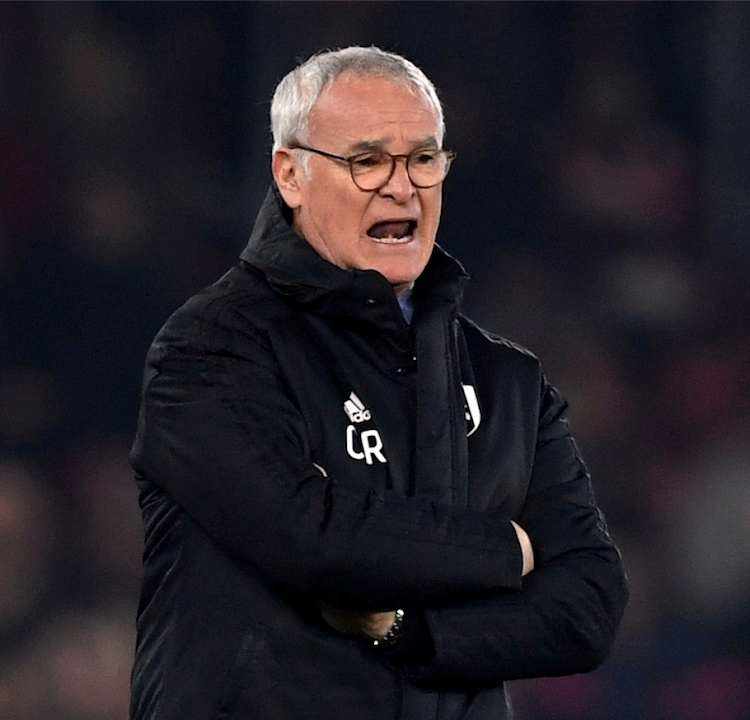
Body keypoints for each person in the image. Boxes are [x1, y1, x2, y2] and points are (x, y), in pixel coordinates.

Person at [129, 46, 628, 720]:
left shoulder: (507, 380)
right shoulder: (212, 349)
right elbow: (306, 536)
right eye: (366, 161)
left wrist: (409, 630)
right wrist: (508, 549)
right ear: (291, 174)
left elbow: (589, 606)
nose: (402, 187)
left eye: (424, 158)